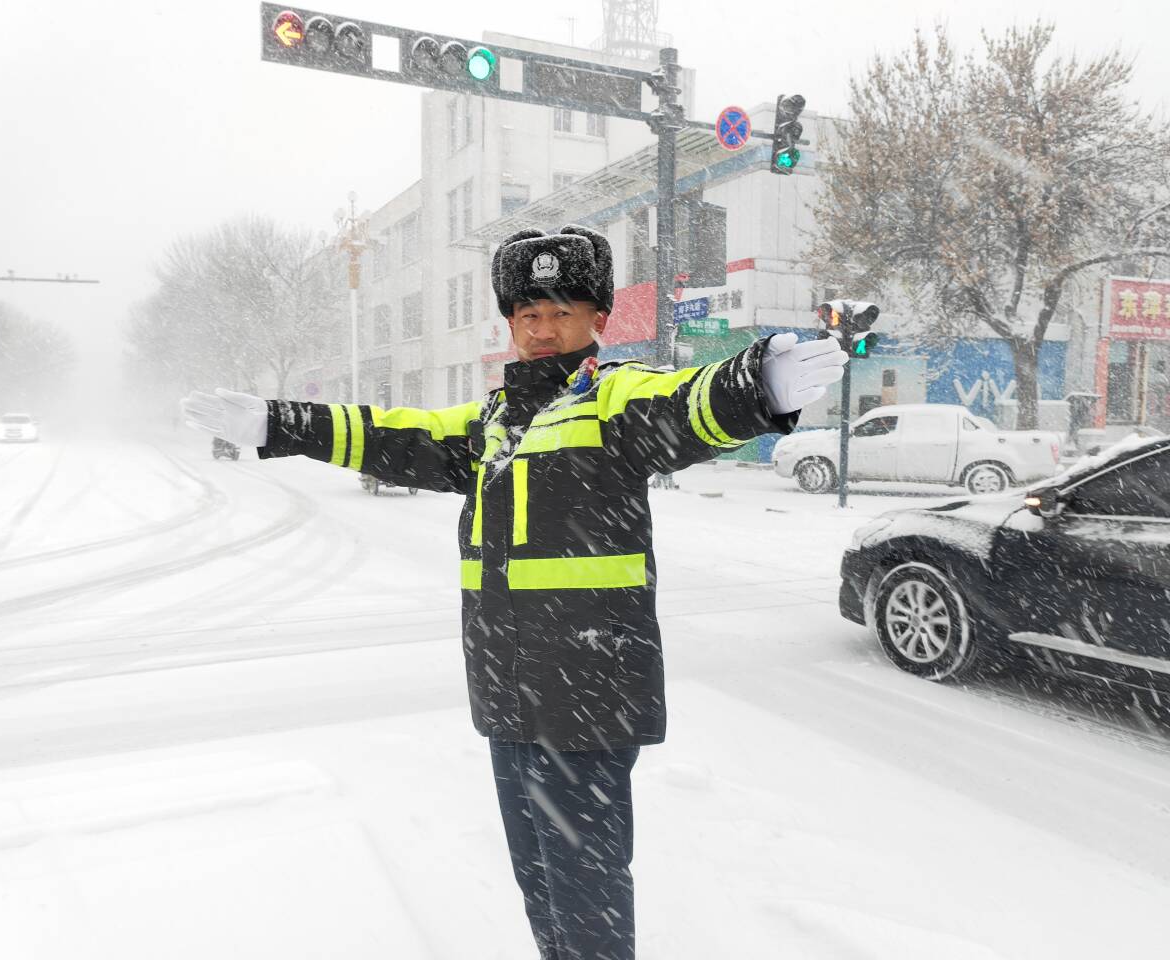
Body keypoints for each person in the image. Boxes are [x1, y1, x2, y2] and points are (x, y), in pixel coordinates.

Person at [180, 224, 847, 959]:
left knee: (586, 894)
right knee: (540, 885)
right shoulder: (494, 423)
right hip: (508, 693)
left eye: (562, 312)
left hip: (586, 696)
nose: (543, 329)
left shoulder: (611, 401)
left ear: (600, 319)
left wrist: (757, 385)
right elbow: (389, 434)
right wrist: (281, 422)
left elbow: (685, 405)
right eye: (528, 315)